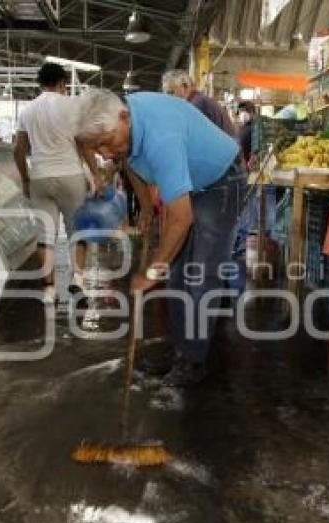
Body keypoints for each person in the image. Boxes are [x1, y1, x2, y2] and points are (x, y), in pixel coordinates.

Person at [75, 89, 245, 384]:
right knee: (178, 275)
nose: (103, 154)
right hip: (193, 180)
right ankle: (182, 349)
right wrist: (145, 206)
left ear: (124, 119)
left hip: (221, 182)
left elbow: (182, 217)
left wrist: (152, 272)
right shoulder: (126, 127)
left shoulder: (160, 138)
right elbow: (131, 163)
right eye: (96, 147)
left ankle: (194, 361)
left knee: (200, 275)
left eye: (104, 143)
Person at [14, 62, 103, 303]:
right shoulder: (72, 105)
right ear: (63, 83)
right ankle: (77, 282)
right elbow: (83, 144)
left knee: (45, 235)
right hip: (70, 176)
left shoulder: (27, 110)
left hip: (40, 177)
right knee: (77, 231)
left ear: (40, 83)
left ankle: (49, 289)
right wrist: (96, 173)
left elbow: (18, 150)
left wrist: (25, 178)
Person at [161, 69, 238, 138]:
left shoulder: (196, 105)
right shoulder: (199, 99)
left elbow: (190, 136)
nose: (168, 97)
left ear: (185, 86)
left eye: (171, 92)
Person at [237, 100, 256, 166]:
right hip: (241, 162)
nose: (243, 114)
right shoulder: (240, 127)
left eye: (247, 111)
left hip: (250, 164)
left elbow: (258, 146)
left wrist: (254, 155)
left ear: (253, 112)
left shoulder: (256, 127)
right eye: (241, 111)